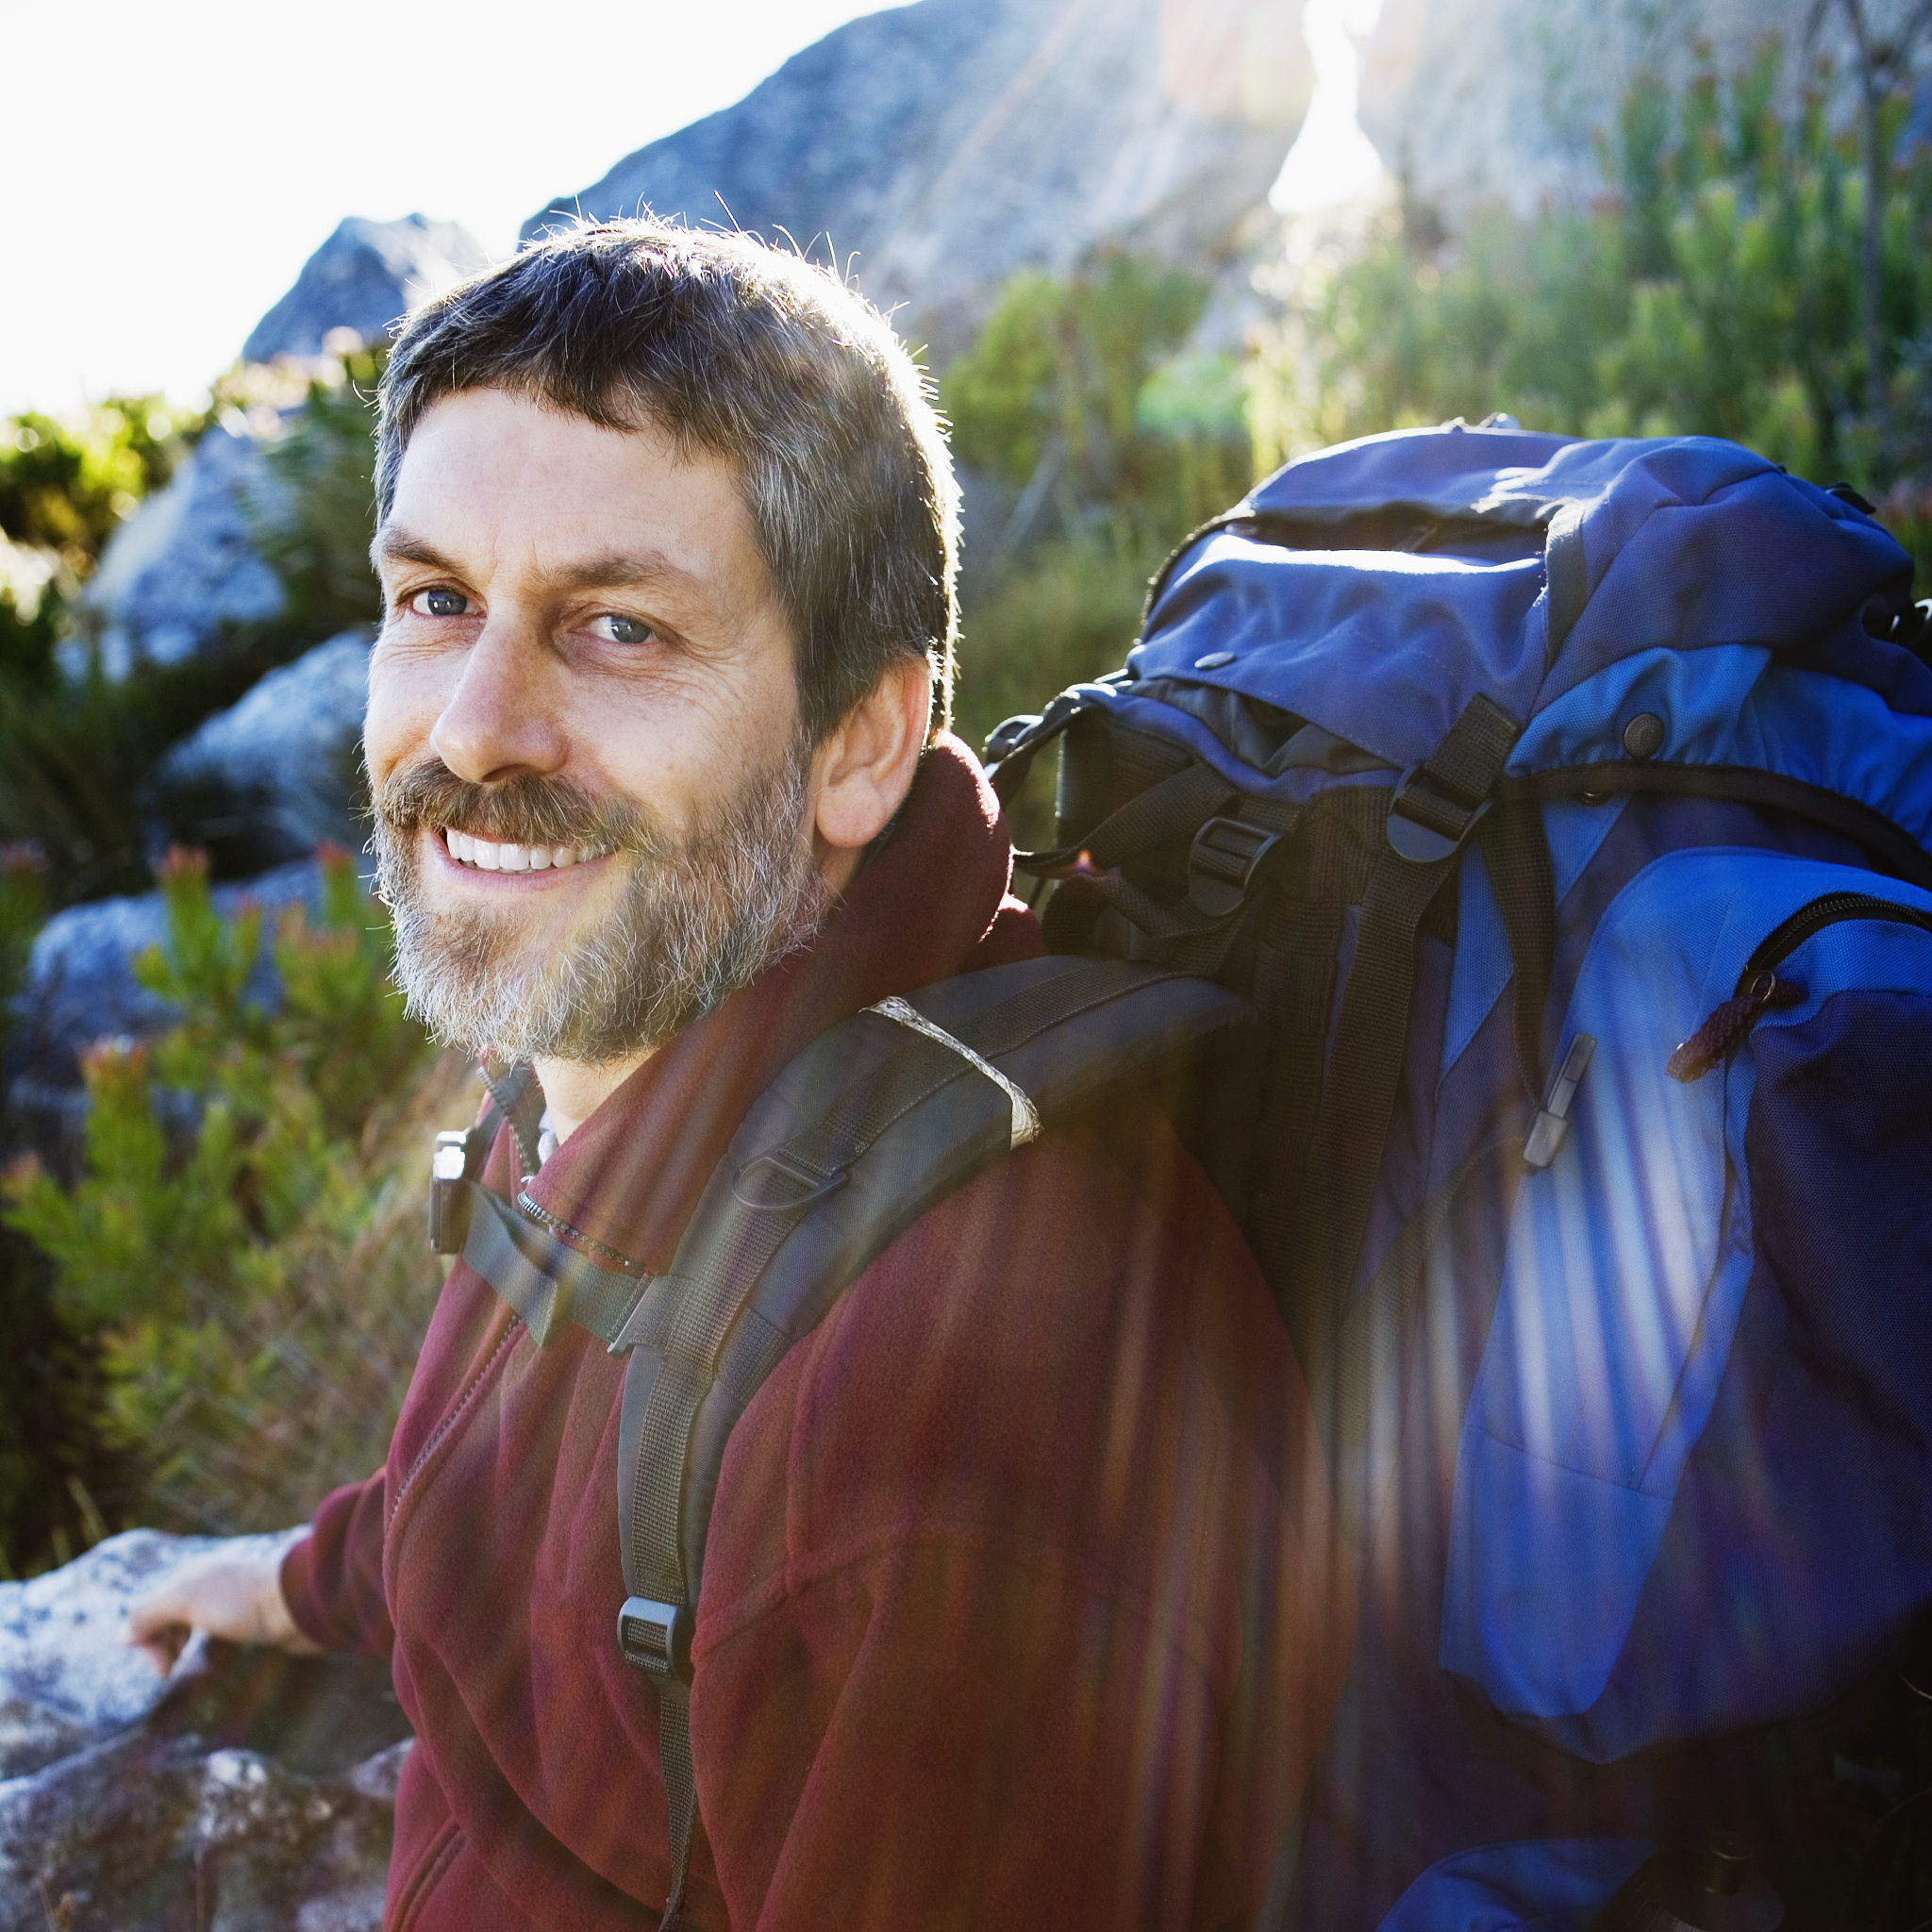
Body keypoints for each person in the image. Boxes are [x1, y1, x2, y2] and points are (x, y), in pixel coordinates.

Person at [127, 219, 1350, 1931]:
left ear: (858, 741)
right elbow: (513, 1457)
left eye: (617, 627)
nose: (474, 728)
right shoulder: (648, 1072)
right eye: (437, 602)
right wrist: (307, 1579)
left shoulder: (951, 1430)